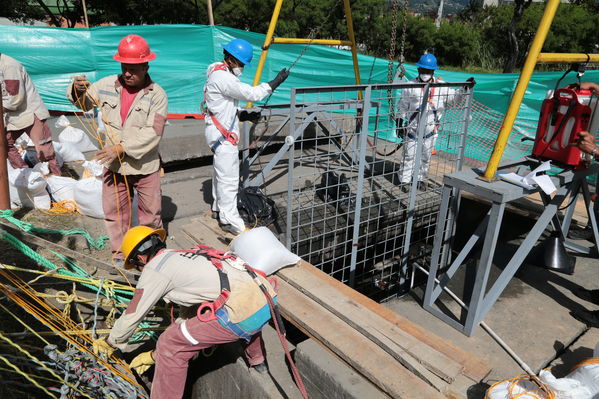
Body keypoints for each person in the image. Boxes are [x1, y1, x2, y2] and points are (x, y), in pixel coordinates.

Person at [92, 226, 276, 399]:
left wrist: (112, 341)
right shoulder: (185, 254)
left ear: (139, 258)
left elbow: (133, 313)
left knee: (169, 344)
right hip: (265, 298)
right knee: (240, 302)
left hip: (242, 315)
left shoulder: (154, 270)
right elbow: (194, 301)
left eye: (137, 266)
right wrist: (180, 325)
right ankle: (258, 361)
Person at [66, 34, 168, 268]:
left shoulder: (157, 96)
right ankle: (121, 255)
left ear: (146, 66)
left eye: (133, 69)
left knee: (150, 214)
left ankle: (149, 256)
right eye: (124, 67)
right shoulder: (106, 85)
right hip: (114, 165)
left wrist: (122, 148)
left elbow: (153, 133)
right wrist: (77, 89)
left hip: (144, 165)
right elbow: (83, 103)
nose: (128, 73)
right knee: (115, 213)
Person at [203, 38, 289, 235]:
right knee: (229, 180)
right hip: (223, 137)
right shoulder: (224, 78)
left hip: (218, 132)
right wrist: (275, 82)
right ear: (231, 60)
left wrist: (242, 113)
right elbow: (251, 93)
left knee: (220, 174)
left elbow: (224, 103)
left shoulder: (217, 71)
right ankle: (230, 220)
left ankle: (218, 209)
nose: (242, 67)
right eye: (241, 63)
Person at [396, 53, 474, 192]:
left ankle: (420, 179)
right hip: (412, 129)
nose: (425, 73)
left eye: (428, 70)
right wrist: (398, 123)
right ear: (418, 70)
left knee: (425, 158)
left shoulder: (441, 86)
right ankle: (404, 181)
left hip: (431, 131)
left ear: (433, 71)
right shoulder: (410, 85)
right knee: (408, 157)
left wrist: (464, 89)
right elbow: (402, 105)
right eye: (423, 70)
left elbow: (454, 99)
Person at [1, 53, 62, 175]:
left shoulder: (9, 65)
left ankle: (57, 180)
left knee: (44, 151)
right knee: (4, 144)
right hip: (12, 116)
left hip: (31, 112)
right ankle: (25, 175)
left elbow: (15, 99)